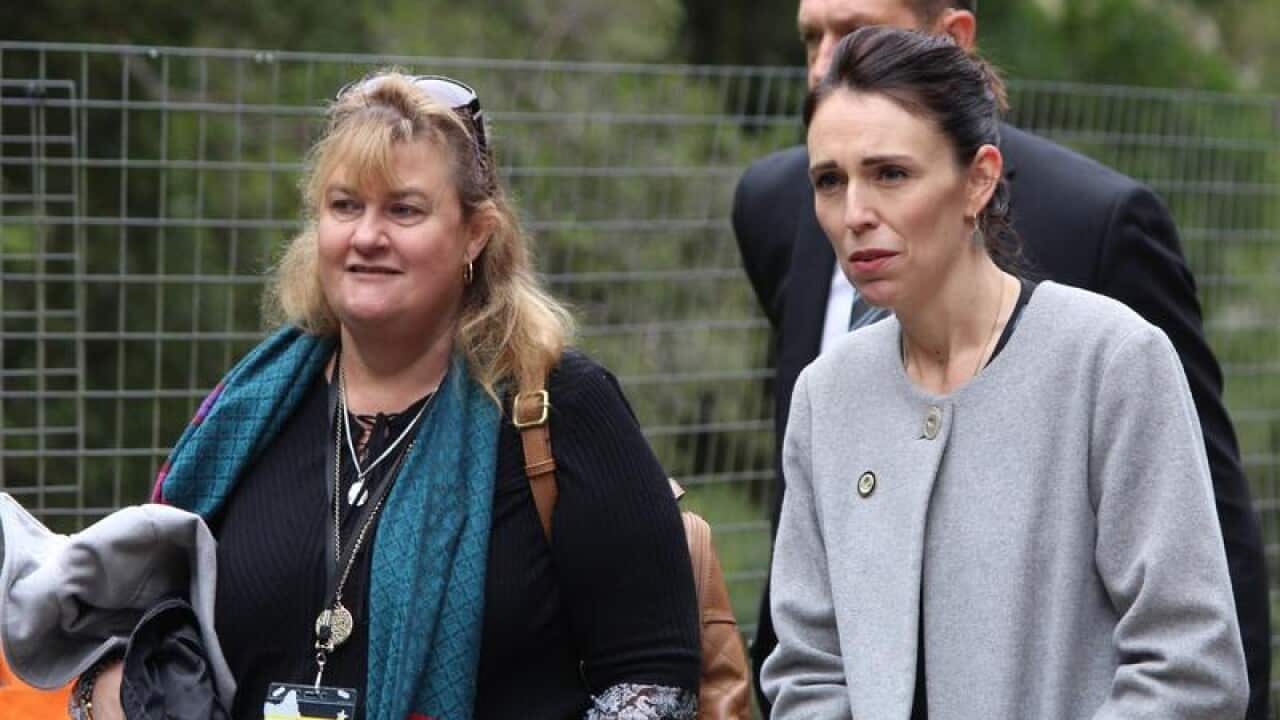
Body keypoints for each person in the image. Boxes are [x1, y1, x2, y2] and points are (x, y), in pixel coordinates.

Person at [77, 70, 701, 720]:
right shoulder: (252, 412)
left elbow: (655, 677)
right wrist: (114, 685)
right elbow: (150, 628)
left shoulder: (560, 406)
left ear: (475, 232)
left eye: (404, 210)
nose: (367, 236)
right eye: (345, 205)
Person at [732, 1, 1269, 716]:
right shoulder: (825, 395)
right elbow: (807, 668)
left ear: (979, 180)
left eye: (891, 173)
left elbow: (1192, 664)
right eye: (830, 180)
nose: (855, 212)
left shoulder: (1111, 361)